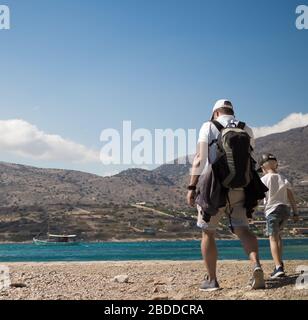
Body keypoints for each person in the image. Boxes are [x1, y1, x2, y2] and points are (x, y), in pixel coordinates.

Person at [187, 99, 266, 291]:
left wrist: (191, 186)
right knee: (243, 229)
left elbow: (200, 158)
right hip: (241, 187)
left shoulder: (209, 126)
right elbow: (250, 159)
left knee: (208, 232)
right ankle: (256, 265)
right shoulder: (245, 128)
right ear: (232, 111)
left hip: (214, 188)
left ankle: (212, 280)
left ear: (215, 113)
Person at [258, 153, 299, 278]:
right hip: (284, 210)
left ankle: (278, 267)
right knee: (279, 237)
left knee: (273, 238)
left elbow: (258, 197)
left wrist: (250, 212)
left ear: (263, 168)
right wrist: (295, 212)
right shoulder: (283, 178)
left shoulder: (263, 180)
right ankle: (279, 263)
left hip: (272, 211)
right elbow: (291, 196)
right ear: (276, 164)